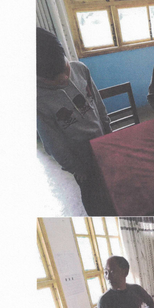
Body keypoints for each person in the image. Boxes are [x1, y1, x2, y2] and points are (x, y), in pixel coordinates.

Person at [36, 27, 114, 215]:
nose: (64, 79)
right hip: (81, 164)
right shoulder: (37, 100)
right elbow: (53, 145)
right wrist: (77, 168)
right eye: (55, 81)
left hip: (104, 146)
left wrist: (109, 136)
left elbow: (99, 106)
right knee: (95, 200)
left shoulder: (80, 69)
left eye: (65, 69)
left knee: (113, 187)